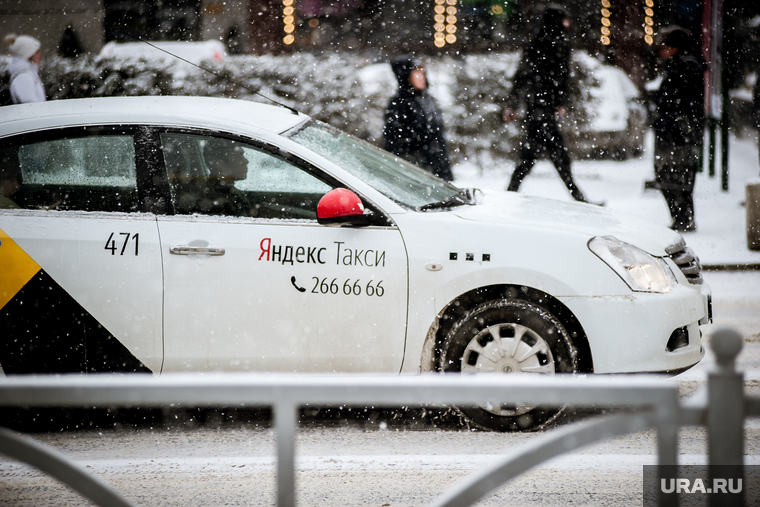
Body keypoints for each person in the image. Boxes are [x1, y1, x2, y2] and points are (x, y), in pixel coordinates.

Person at [502, 5, 595, 204]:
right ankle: (578, 197)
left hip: (538, 106)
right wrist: (559, 101)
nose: (568, 23)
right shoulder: (554, 43)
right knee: (551, 155)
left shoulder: (539, 42)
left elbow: (524, 76)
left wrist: (514, 103)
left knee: (534, 155)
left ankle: (510, 192)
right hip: (542, 108)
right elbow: (558, 78)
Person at [652, 26, 705, 232]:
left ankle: (683, 218)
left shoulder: (685, 66)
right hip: (677, 131)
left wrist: (672, 122)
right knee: (673, 176)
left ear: (675, 47)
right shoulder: (680, 65)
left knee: (674, 176)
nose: (661, 51)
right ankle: (682, 218)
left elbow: (679, 102)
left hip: (677, 133)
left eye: (665, 46)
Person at [383, 56, 454, 182]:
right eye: (416, 73)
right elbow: (395, 143)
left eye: (423, 73)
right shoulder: (398, 104)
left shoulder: (429, 100)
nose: (422, 77)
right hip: (414, 175)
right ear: (406, 76)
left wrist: (443, 169)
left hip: (437, 171)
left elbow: (438, 138)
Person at [195, 139, 255, 216]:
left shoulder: (228, 193)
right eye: (239, 156)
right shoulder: (217, 202)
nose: (246, 161)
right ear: (219, 164)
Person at [4, 33, 46, 104]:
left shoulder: (27, 73)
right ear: (28, 54)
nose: (41, 55)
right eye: (37, 52)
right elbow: (31, 108)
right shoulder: (24, 76)